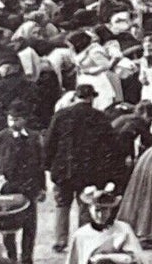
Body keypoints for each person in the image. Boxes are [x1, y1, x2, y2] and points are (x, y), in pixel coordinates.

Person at [43, 84, 123, 253]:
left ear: (76, 97)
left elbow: (49, 143)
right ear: (92, 98)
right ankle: (83, 239)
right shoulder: (100, 117)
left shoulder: (61, 115)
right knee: (85, 205)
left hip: (63, 169)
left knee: (62, 205)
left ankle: (60, 240)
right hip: (89, 171)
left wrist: (49, 165)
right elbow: (111, 147)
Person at [0, 100, 47, 264]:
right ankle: (12, 259)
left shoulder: (33, 137)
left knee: (29, 227)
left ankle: (27, 261)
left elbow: (40, 164)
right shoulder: (0, 138)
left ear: (24, 120)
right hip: (6, 190)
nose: (13, 122)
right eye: (10, 119)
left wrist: (42, 187)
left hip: (28, 188)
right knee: (8, 228)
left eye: (17, 119)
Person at [60, 185, 149, 264]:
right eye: (97, 210)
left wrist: (108, 257)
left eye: (105, 210)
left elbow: (136, 260)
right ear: (89, 209)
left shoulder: (123, 229)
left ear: (111, 210)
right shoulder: (81, 235)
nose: (101, 215)